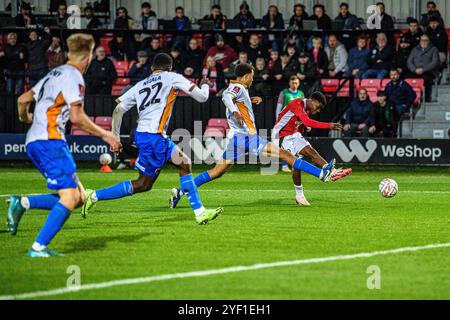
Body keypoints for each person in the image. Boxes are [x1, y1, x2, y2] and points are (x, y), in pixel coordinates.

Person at [7, 33, 121, 257]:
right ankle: (38, 248)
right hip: (50, 141)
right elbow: (77, 117)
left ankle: (22, 203)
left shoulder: (53, 74)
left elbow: (22, 100)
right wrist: (106, 135)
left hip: (35, 141)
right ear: (89, 56)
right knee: (69, 197)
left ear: (69, 53)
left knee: (78, 197)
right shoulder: (74, 77)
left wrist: (24, 118)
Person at [169, 64, 342, 209]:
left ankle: (180, 191)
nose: (253, 79)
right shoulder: (237, 87)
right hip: (247, 137)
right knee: (286, 155)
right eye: (251, 76)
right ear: (244, 77)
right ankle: (321, 174)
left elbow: (232, 98)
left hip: (236, 138)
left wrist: (249, 100)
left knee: (216, 172)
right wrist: (236, 111)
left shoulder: (239, 89)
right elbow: (226, 98)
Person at [81, 53, 223, 225]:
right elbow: (202, 97)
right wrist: (205, 85)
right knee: (158, 177)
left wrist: (115, 137)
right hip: (154, 137)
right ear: (170, 68)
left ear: (151, 69)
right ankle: (200, 213)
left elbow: (118, 109)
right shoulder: (172, 77)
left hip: (146, 136)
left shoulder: (140, 85)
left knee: (167, 172)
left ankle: (93, 195)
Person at [272, 96, 351, 205]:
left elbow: (299, 123)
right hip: (281, 135)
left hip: (294, 134)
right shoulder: (297, 103)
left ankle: (332, 172)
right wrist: (329, 125)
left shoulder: (306, 108)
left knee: (311, 151)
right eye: (318, 107)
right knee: (296, 164)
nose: (317, 111)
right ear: (314, 100)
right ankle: (299, 195)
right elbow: (307, 122)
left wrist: (303, 127)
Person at [275, 75, 305, 173]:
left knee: (296, 143)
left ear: (299, 83)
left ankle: (295, 164)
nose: (294, 84)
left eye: (296, 83)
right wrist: (278, 120)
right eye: (293, 83)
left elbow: (303, 109)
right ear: (289, 83)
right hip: (286, 122)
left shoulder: (301, 93)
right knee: (286, 143)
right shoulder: (284, 93)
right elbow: (279, 107)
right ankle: (284, 164)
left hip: (297, 123)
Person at [407, 34, 440, 102]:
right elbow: (409, 61)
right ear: (420, 41)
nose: (424, 42)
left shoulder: (433, 49)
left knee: (425, 79)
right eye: (422, 40)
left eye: (426, 40)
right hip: (415, 71)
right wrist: (414, 69)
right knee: (407, 78)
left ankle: (426, 99)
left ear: (429, 41)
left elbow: (435, 62)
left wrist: (423, 69)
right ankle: (411, 99)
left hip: (429, 71)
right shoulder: (415, 49)